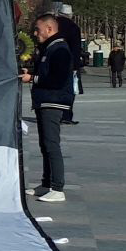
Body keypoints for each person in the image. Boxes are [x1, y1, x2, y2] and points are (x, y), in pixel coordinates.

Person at [21, 14, 73, 203]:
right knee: (45, 144)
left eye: (37, 29)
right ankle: (47, 183)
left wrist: (33, 78)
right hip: (45, 102)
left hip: (53, 102)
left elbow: (57, 79)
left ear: (49, 29)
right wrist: (33, 73)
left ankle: (58, 188)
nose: (35, 33)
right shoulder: (50, 48)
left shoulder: (59, 49)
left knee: (52, 144)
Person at [56, 4, 83, 124]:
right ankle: (66, 115)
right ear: (70, 15)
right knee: (68, 90)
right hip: (68, 64)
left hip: (53, 62)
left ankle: (53, 114)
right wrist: (76, 66)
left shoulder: (51, 26)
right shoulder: (74, 28)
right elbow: (76, 49)